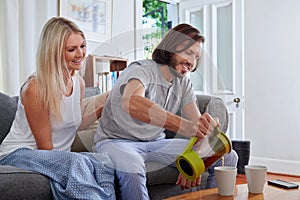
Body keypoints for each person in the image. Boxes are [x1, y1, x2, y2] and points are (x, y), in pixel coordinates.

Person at [93, 23, 238, 200]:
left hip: (155, 143)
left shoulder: (183, 83)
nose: (192, 63)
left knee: (228, 155)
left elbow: (197, 126)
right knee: (132, 165)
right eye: (188, 53)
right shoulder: (141, 70)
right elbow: (131, 103)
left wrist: (197, 155)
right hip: (115, 141)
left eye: (196, 57)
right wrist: (183, 125)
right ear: (170, 48)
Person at [0, 17, 115, 200]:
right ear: (53, 52)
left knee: (104, 161)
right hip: (20, 153)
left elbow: (74, 123)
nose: (81, 54)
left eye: (82, 46)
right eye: (71, 49)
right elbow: (45, 147)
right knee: (76, 162)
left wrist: (103, 106)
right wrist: (64, 163)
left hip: (55, 155)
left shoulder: (78, 83)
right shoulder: (36, 87)